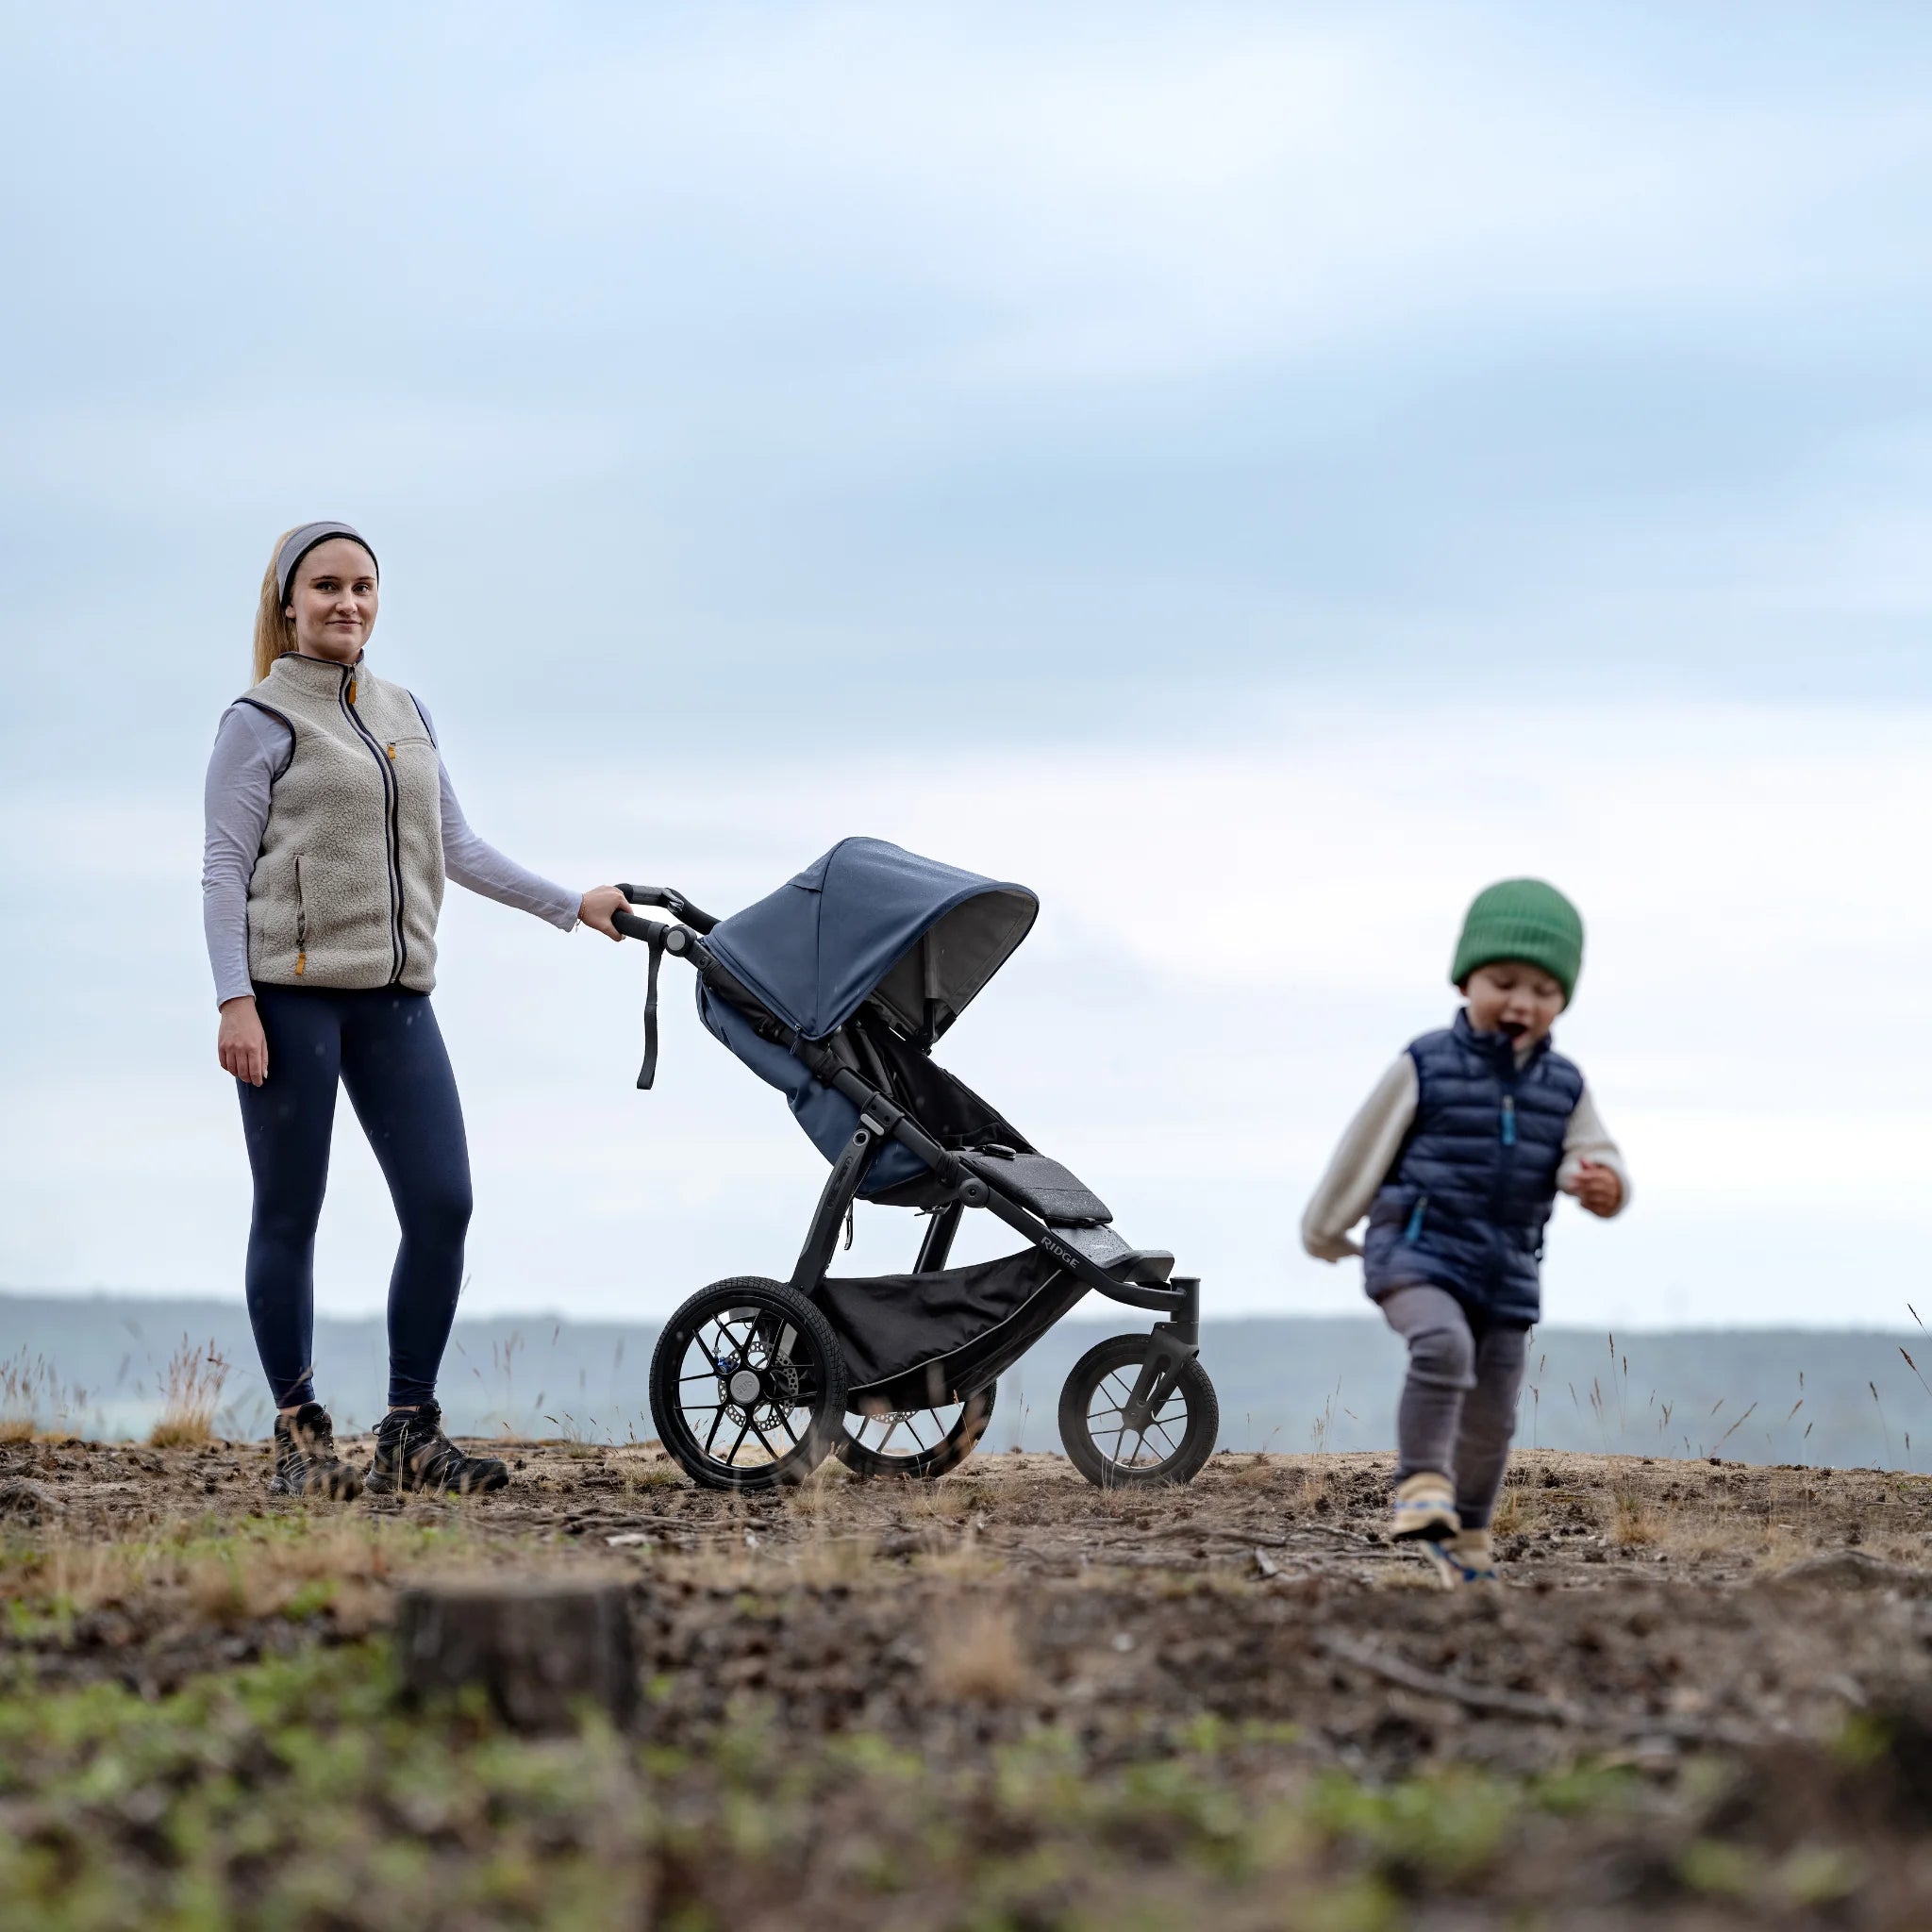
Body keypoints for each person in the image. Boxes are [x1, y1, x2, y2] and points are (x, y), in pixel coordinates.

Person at [202, 521, 629, 1500]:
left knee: (443, 1203)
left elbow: (459, 847)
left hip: (396, 998)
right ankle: (301, 1435)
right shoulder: (257, 721)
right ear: (287, 602)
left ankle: (408, 1427)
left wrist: (573, 903)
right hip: (290, 996)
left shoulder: (404, 711)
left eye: (361, 586)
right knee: (290, 1210)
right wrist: (236, 999)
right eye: (324, 587)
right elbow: (224, 868)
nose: (345, 602)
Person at [1299, 879, 1629, 1586]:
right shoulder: (1424, 1064)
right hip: (1414, 1251)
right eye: (1502, 982)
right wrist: (1326, 1231)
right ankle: (1421, 1487)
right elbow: (1361, 1151)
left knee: (1493, 1418)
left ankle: (1469, 1536)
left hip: (1505, 1271)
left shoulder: (1565, 1085)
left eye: (1542, 990)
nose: (1520, 1002)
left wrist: (1604, 1185)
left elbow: (1593, 1156)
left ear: (1562, 1001)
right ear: (1466, 980)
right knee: (1442, 1345)